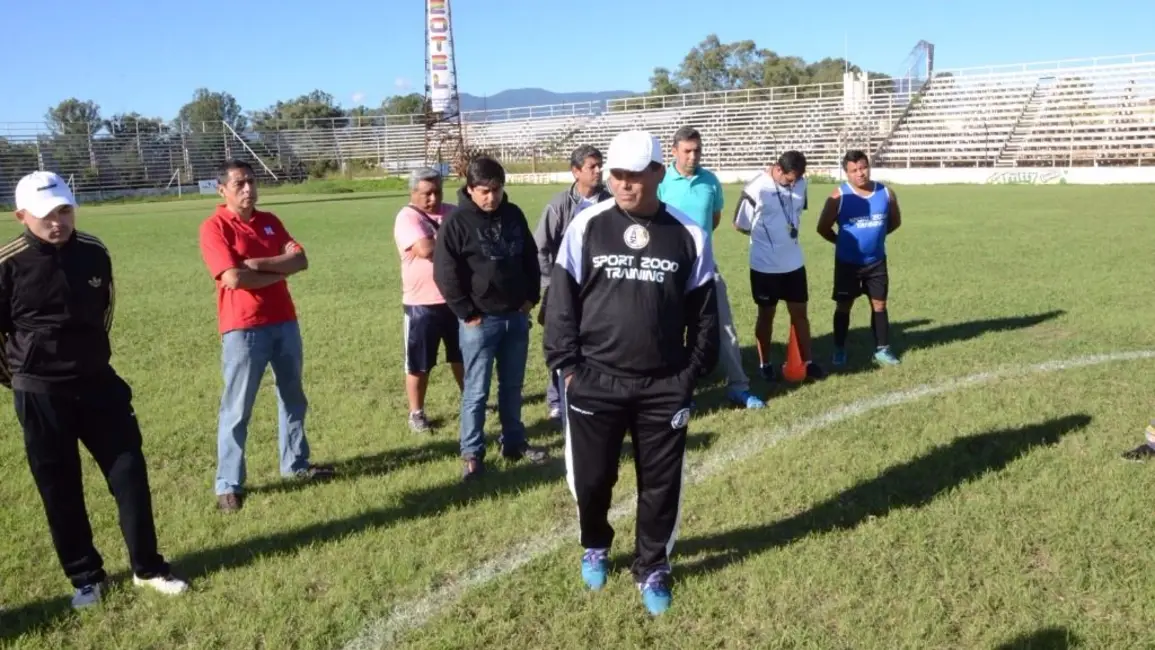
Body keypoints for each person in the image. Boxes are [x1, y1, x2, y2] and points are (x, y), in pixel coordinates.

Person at [545, 130, 720, 616]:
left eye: (634, 175)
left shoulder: (689, 233)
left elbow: (706, 313)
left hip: (663, 385)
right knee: (592, 479)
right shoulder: (587, 225)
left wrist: (690, 373)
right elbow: (560, 302)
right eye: (616, 174)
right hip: (594, 380)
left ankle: (652, 565)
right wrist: (568, 368)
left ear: (658, 173)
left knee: (660, 484)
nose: (622, 183)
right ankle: (595, 543)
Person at [1, 171, 188, 609]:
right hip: (40, 392)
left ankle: (148, 568)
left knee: (129, 473)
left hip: (98, 384)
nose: (58, 222)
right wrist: (21, 375)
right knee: (59, 486)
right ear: (21, 216)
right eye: (46, 215)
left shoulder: (94, 252)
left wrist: (90, 358)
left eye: (64, 211)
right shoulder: (7, 264)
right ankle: (85, 577)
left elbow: (105, 312)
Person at [199, 160, 334, 513]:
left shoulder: (270, 220)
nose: (248, 189)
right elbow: (232, 278)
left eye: (251, 181)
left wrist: (257, 264)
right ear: (222, 190)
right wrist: (279, 268)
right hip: (243, 327)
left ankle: (296, 464)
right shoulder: (215, 227)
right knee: (237, 407)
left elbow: (300, 260)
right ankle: (228, 484)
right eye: (239, 184)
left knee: (292, 398)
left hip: (284, 321)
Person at [433, 156, 549, 481]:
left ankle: (513, 442)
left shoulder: (513, 214)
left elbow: (530, 257)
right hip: (479, 321)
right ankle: (472, 453)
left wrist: (530, 299)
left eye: (496, 189)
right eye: (484, 191)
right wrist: (467, 313)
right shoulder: (456, 223)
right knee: (476, 391)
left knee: (512, 386)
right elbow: (445, 272)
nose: (491, 197)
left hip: (515, 317)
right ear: (470, 189)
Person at [657, 126, 762, 409]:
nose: (693, 156)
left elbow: (713, 220)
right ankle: (680, 394)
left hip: (705, 268)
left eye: (697, 150)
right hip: (668, 269)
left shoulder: (710, 181)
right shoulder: (661, 181)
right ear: (674, 151)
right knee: (669, 332)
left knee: (724, 327)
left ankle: (738, 386)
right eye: (687, 151)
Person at [534, 145, 612, 422]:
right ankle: (557, 400)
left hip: (601, 290)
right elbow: (540, 247)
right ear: (576, 172)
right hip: (565, 290)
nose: (598, 170)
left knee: (598, 342)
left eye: (600, 165)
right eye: (592, 166)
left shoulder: (611, 202)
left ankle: (598, 396)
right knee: (562, 342)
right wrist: (552, 284)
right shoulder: (559, 205)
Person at [733, 151, 826, 381]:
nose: (793, 184)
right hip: (764, 267)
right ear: (777, 169)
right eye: (789, 179)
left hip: (794, 264)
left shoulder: (801, 184)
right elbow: (740, 224)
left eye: (797, 179)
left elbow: (796, 212)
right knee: (766, 315)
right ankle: (765, 364)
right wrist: (765, 241)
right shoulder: (756, 188)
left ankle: (808, 362)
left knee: (800, 314)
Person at [816, 150, 903, 367]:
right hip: (848, 264)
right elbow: (823, 228)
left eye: (863, 167)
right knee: (844, 305)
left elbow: (895, 222)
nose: (860, 173)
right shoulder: (838, 197)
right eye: (854, 170)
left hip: (876, 261)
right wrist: (841, 242)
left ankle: (882, 349)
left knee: (879, 304)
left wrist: (876, 238)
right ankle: (839, 349)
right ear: (846, 173)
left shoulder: (886, 193)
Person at [394, 166, 464, 433]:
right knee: (419, 363)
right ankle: (416, 413)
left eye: (438, 192)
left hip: (456, 299)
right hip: (421, 304)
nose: (434, 198)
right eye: (427, 193)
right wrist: (454, 241)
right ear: (413, 192)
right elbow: (425, 249)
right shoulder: (407, 217)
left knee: (463, 356)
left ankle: (472, 400)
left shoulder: (453, 212)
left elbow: (472, 240)